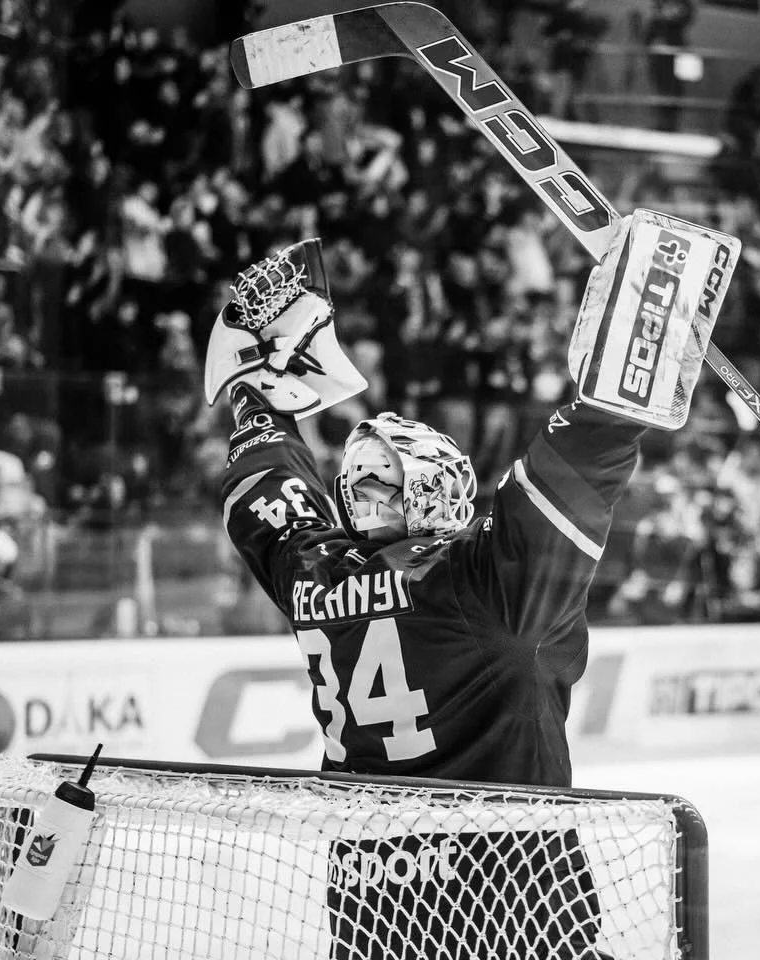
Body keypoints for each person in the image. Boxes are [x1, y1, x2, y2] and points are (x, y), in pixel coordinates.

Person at [206, 239, 657, 959]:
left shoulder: (310, 571)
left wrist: (255, 395)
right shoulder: (483, 585)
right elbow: (580, 458)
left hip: (370, 912)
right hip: (515, 915)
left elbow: (264, 489)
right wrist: (644, 333)